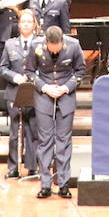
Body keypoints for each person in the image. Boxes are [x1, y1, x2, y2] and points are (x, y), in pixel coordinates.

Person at [26, 25, 86, 198]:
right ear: (46, 42)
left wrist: (66, 88)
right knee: (44, 141)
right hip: (44, 96)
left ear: (62, 42)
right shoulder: (35, 46)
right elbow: (29, 71)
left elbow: (81, 71)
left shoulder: (74, 45)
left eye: (57, 47)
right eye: (51, 48)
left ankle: (63, 183)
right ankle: (45, 184)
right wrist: (44, 87)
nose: (55, 50)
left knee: (63, 141)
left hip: (65, 96)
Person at [0, 9, 40, 179]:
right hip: (14, 91)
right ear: (19, 24)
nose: (26, 25)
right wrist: (15, 77)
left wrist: (33, 78)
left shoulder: (40, 43)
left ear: (34, 24)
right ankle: (13, 167)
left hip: (34, 91)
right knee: (15, 132)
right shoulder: (10, 44)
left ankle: (32, 166)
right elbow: (2, 68)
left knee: (32, 130)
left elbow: (45, 66)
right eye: (23, 22)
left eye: (29, 22)